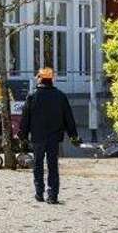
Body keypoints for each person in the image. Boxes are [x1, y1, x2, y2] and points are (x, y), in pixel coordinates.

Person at [19, 66, 80, 205]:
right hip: (54, 137)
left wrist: (22, 135)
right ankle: (52, 195)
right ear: (52, 79)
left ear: (39, 78)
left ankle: (39, 193)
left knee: (38, 164)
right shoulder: (60, 96)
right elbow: (68, 118)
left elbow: (25, 118)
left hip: (37, 137)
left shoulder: (32, 96)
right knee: (53, 166)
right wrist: (73, 136)